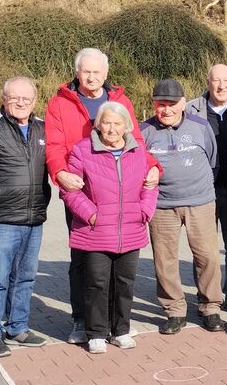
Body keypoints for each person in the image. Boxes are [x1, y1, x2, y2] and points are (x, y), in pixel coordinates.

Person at [45, 48, 160, 345]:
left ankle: (115, 323)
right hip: (81, 188)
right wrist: (59, 172)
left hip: (120, 197)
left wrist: (154, 168)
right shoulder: (60, 103)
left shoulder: (120, 101)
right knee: (83, 262)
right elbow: (55, 146)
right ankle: (83, 320)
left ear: (106, 74)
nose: (92, 77)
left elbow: (137, 143)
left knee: (119, 266)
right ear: (77, 72)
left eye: (97, 72)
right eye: (86, 71)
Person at [60, 102, 157, 353]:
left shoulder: (137, 151)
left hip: (131, 228)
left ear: (127, 126)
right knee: (96, 283)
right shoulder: (82, 150)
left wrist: (144, 211)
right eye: (106, 122)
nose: (112, 129)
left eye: (117, 123)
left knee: (125, 282)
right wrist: (91, 215)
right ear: (98, 125)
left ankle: (121, 329)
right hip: (96, 230)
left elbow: (151, 185)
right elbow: (70, 190)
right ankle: (96, 332)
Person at [0, 77, 52, 358]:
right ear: (3, 99)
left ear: (35, 101)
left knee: (25, 277)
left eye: (26, 99)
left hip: (33, 218)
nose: (21, 103)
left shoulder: (43, 129)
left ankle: (18, 327)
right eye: (14, 98)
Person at [141, 79, 225, 334]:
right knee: (165, 259)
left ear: (183, 103)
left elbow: (213, 160)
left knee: (207, 256)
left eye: (172, 104)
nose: (166, 110)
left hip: (200, 201)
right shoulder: (144, 131)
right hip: (163, 204)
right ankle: (175, 310)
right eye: (161, 104)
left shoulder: (200, 126)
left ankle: (210, 307)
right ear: (154, 104)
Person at [185, 63, 227, 311]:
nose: (221, 86)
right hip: (202, 191)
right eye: (216, 81)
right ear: (208, 82)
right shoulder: (191, 110)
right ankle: (206, 295)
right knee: (202, 247)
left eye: (226, 81)